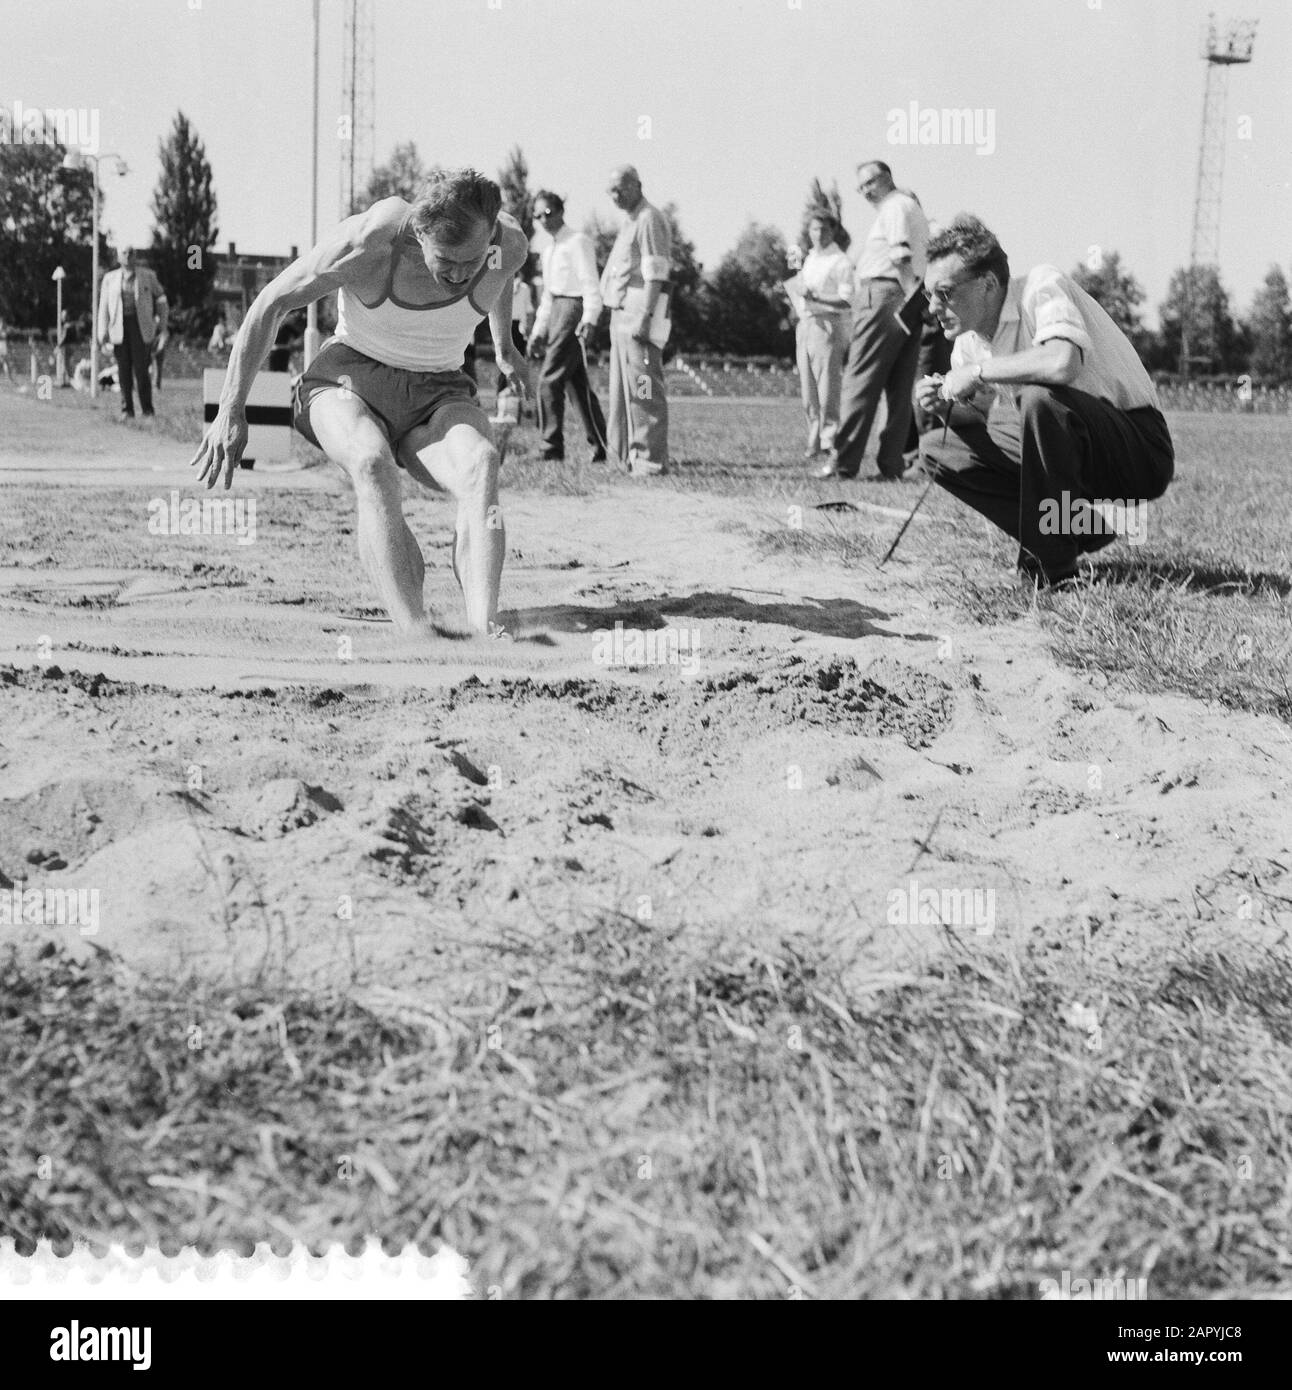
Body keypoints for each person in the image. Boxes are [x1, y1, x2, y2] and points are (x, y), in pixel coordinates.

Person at [190, 167, 532, 639]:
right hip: (348, 381)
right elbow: (270, 303)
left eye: (469, 263)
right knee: (372, 462)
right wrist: (232, 407)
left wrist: (505, 346)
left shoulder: (508, 244)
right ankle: (416, 631)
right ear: (419, 233)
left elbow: (502, 274)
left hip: (439, 391)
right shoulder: (372, 242)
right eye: (445, 262)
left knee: (482, 463)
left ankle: (483, 627)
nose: (457, 276)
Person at [916, 214, 1174, 588]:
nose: (933, 308)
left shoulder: (1040, 285)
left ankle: (1050, 569)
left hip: (1138, 451)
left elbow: (1061, 362)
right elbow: (983, 422)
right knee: (940, 451)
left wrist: (977, 373)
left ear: (988, 283)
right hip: (1068, 452)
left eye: (944, 293)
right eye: (928, 295)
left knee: (1041, 398)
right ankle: (1078, 530)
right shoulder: (968, 344)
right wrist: (947, 410)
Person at [817, 161, 928, 481]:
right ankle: (891, 465)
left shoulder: (894, 207)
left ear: (887, 178)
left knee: (859, 381)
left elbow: (900, 255)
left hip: (884, 294)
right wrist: (916, 301)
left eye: (870, 183)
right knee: (899, 387)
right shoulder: (911, 207)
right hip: (910, 296)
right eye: (861, 187)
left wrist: (908, 296)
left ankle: (844, 463)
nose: (865, 191)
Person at [599, 165, 671, 476]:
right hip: (620, 313)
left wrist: (645, 317)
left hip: (640, 313)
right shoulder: (630, 221)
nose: (616, 196)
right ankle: (622, 456)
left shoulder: (649, 219)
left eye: (621, 188)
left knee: (642, 388)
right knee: (620, 390)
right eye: (611, 191)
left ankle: (649, 460)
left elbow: (656, 272)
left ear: (638, 185)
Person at [527, 190, 607, 462]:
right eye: (537, 216)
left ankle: (551, 446)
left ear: (560, 211)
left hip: (574, 308)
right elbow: (548, 295)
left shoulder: (577, 241)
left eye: (548, 213)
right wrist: (539, 330)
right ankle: (602, 446)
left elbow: (589, 282)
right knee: (577, 385)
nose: (543, 220)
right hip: (557, 310)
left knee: (549, 380)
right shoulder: (548, 249)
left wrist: (590, 317)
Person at [790, 212, 854, 461]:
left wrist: (815, 297)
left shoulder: (840, 261)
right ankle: (814, 438)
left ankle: (830, 439)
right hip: (805, 323)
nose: (818, 234)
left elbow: (847, 299)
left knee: (827, 387)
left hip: (827, 324)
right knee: (808, 389)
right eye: (814, 230)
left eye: (824, 230)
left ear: (833, 231)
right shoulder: (810, 259)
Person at [97, 246, 168, 419]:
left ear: (135, 256)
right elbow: (104, 307)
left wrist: (162, 323)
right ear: (118, 257)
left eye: (131, 253)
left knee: (142, 370)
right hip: (118, 328)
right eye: (124, 253)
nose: (128, 256)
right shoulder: (109, 279)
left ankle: (147, 410)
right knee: (123, 371)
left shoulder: (148, 276)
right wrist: (102, 332)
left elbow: (161, 299)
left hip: (141, 327)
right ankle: (126, 410)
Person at [0, 317, 14, 383]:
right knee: (4, 361)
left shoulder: (3, 329)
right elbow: (4, 336)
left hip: (3, 345)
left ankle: (9, 377)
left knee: (4, 361)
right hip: (2, 345)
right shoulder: (2, 329)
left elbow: (5, 335)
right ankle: (9, 377)